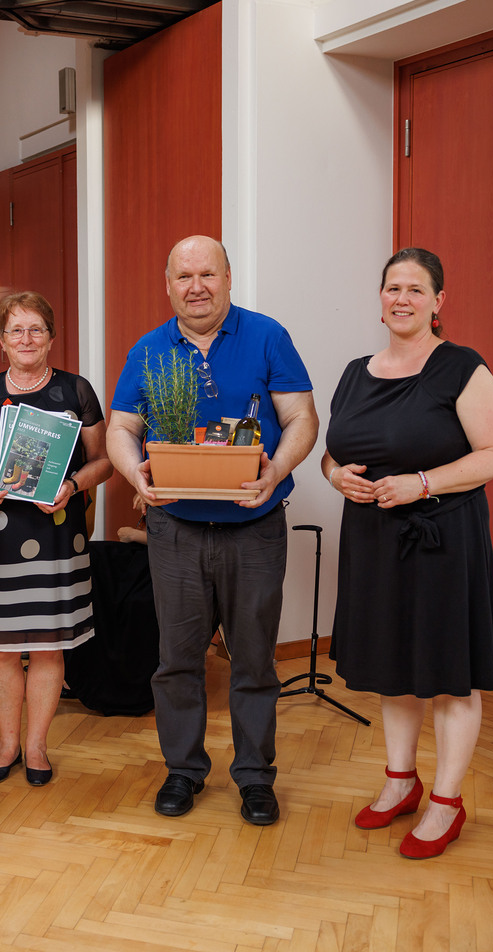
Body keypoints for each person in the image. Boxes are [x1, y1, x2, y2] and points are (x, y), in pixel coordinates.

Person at [106, 235, 318, 826]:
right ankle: (183, 769)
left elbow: (302, 417)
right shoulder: (149, 349)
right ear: (168, 285)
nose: (196, 287)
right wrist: (136, 474)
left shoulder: (268, 336)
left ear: (228, 277)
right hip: (175, 530)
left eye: (207, 274)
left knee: (254, 660)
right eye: (184, 276)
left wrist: (275, 470)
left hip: (254, 528)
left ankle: (254, 776)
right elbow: (120, 429)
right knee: (177, 660)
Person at [321, 247, 493, 859]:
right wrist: (335, 476)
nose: (401, 299)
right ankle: (401, 782)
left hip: (441, 540)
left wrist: (421, 484)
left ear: (437, 301)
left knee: (450, 676)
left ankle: (447, 803)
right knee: (391, 665)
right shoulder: (355, 372)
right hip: (373, 540)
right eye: (392, 288)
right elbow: (333, 452)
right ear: (381, 299)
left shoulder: (462, 367)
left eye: (415, 289)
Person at [0, 292, 112, 786]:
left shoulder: (76, 391)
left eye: (36, 329)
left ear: (51, 337)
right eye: (15, 330)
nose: (26, 339)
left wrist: (72, 486)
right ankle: (7, 744)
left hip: (58, 537)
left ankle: (37, 746)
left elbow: (104, 461)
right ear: (1, 339)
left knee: (48, 647)